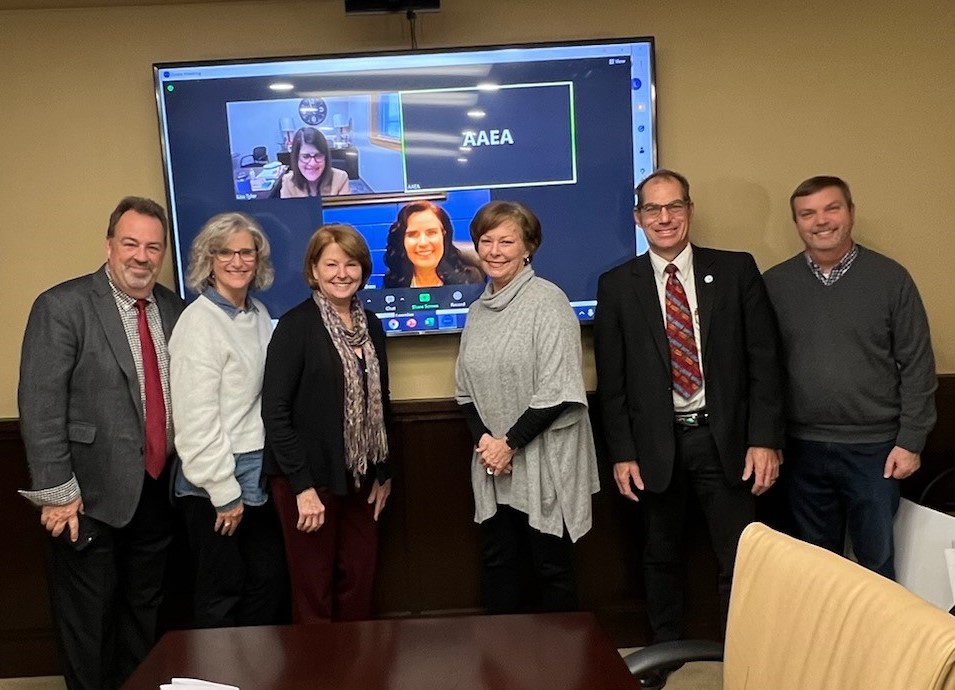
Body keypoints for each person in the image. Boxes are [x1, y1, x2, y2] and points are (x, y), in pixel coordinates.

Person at [593, 170, 784, 689]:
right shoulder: (617, 285)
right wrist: (622, 452)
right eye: (652, 210)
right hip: (656, 445)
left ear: (689, 211)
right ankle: (663, 657)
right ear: (638, 218)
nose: (664, 218)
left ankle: (742, 660)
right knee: (660, 555)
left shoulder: (736, 270)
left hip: (725, 441)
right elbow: (612, 380)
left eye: (674, 206)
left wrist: (765, 439)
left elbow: (765, 362)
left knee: (739, 558)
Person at [17, 197, 185, 690]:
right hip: (86, 499)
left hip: (157, 493)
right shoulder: (62, 307)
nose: (142, 256)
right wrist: (57, 493)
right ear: (109, 245)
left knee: (144, 621)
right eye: (130, 243)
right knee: (89, 630)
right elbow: (41, 405)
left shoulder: (174, 309)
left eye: (153, 247)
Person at [763, 175, 936, 579]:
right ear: (796, 223)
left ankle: (877, 626)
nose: (821, 221)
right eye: (808, 213)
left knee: (876, 564)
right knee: (816, 568)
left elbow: (917, 364)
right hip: (801, 448)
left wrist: (910, 441)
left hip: (875, 450)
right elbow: (761, 368)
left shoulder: (891, 279)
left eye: (832, 208)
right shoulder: (774, 284)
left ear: (851, 213)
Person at [455, 200, 599, 615]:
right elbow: (465, 391)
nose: (494, 251)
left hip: (542, 464)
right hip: (494, 465)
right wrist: (489, 445)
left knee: (550, 570)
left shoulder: (548, 301)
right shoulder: (477, 311)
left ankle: (563, 656)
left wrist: (509, 444)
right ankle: (502, 655)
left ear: (528, 248)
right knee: (500, 567)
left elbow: (558, 388)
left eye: (506, 241)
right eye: (486, 241)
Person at [262, 223, 392, 623]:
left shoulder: (371, 324)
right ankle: (317, 663)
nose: (342, 273)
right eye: (331, 264)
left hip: (360, 478)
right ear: (314, 270)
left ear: (363, 270)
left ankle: (357, 661)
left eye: (351, 264)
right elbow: (275, 411)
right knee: (313, 590)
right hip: (308, 480)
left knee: (359, 581)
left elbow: (380, 401)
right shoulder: (296, 325)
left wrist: (383, 472)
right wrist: (302, 487)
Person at [168, 212, 288, 628]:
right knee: (222, 593)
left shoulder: (257, 313)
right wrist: (223, 492)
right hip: (214, 482)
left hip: (256, 472)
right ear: (209, 259)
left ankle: (253, 664)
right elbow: (194, 419)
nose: (237, 261)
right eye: (225, 253)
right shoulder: (198, 322)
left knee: (267, 583)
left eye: (246, 252)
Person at [383, 200, 485, 288]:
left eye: (431, 232)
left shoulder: (470, 278)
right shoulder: (394, 280)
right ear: (402, 241)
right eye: (413, 234)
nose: (423, 243)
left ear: (444, 236)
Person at [279, 127, 350, 198]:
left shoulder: (340, 178)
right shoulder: (288, 181)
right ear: (296, 157)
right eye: (306, 156)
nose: (312, 163)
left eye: (318, 155)